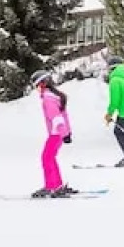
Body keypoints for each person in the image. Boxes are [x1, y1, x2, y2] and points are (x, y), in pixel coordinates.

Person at [32, 70, 75, 198]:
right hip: (59, 133)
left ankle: (52, 186)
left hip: (56, 134)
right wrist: (67, 132)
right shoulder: (55, 96)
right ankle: (57, 185)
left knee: (46, 158)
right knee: (50, 158)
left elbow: (56, 117)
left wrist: (64, 133)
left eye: (37, 86)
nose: (37, 89)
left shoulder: (48, 98)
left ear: (43, 84)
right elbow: (63, 116)